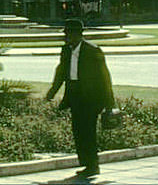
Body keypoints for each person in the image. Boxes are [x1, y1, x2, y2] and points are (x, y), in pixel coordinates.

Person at [45, 18, 115, 179]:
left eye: (68, 34)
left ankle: (93, 165)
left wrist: (109, 104)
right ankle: (87, 164)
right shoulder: (66, 50)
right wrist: (52, 92)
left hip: (91, 99)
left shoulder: (93, 50)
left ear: (77, 34)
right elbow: (61, 72)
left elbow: (105, 77)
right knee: (78, 132)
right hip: (75, 97)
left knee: (88, 132)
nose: (65, 37)